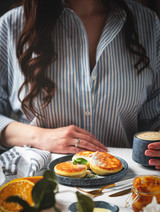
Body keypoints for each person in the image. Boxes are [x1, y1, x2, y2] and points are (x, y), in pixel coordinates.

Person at [0, 0, 160, 167]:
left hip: (126, 185)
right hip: (40, 184)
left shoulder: (147, 23)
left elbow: (154, 116)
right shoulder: (10, 26)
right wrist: (39, 136)